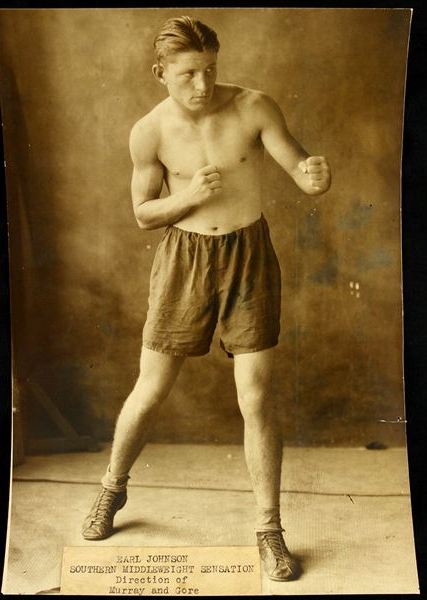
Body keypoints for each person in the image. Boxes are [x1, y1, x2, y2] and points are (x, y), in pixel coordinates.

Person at [82, 16, 331, 583]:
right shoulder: (149, 131)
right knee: (150, 387)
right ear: (160, 73)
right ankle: (110, 491)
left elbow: (298, 167)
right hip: (183, 261)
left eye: (210, 70)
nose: (202, 85)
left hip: (249, 256)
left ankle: (269, 529)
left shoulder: (254, 106)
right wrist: (188, 197)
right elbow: (144, 213)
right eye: (189, 73)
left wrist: (314, 176)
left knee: (257, 395)